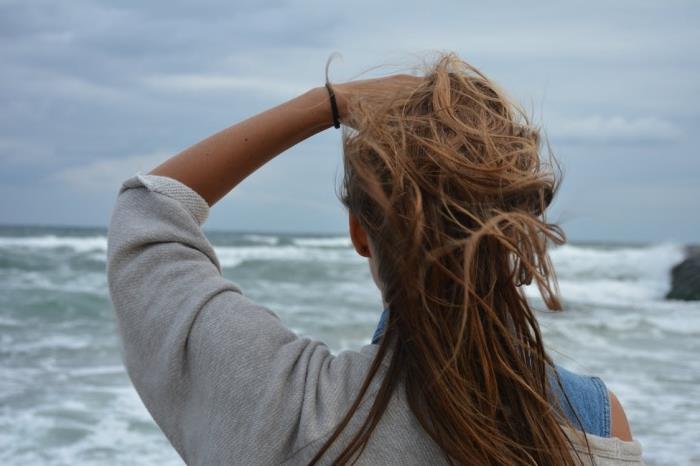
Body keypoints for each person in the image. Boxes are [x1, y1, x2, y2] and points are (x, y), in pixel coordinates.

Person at [106, 52, 645, 465]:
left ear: (360, 233)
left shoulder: (290, 407)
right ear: (517, 231)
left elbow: (148, 212)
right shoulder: (594, 423)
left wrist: (329, 104)